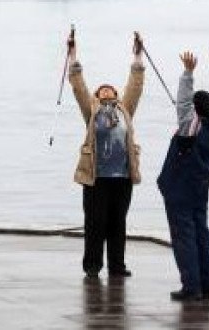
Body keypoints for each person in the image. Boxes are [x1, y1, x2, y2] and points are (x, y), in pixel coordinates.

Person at [68, 32, 145, 279]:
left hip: (122, 177)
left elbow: (135, 85)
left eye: (110, 88)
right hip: (96, 177)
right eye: (101, 90)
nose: (106, 90)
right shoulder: (91, 112)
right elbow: (79, 87)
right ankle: (92, 266)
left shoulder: (125, 110)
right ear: (97, 97)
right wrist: (73, 57)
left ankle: (117, 266)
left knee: (118, 223)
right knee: (95, 223)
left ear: (117, 95)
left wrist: (138, 56)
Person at [157, 48, 209, 301]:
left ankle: (192, 288)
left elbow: (184, 101)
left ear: (196, 110)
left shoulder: (189, 126)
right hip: (200, 188)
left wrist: (188, 72)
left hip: (180, 189)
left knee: (184, 237)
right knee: (202, 233)